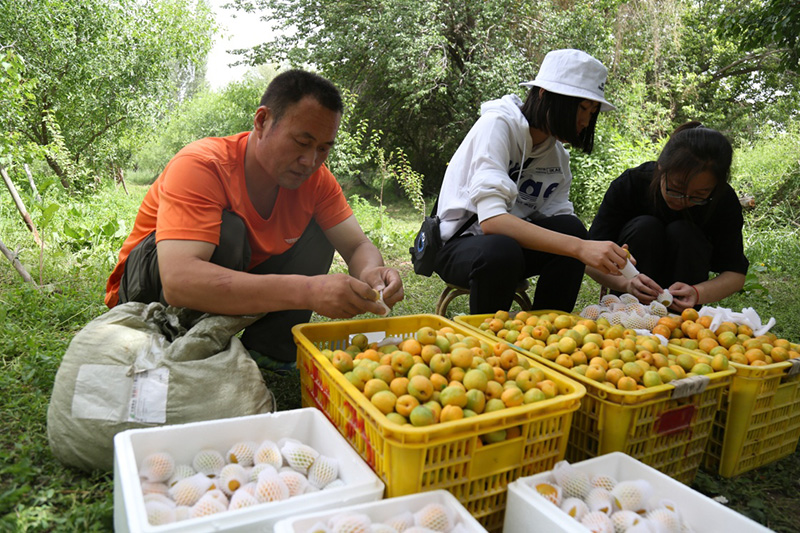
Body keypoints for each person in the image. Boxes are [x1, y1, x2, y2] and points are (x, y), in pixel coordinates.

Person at [105, 69, 404, 369]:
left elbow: (356, 246)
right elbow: (179, 282)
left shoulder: (316, 181)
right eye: (302, 142)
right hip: (146, 290)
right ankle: (184, 343)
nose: (310, 161)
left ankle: (268, 352)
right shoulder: (202, 165)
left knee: (319, 231)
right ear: (262, 122)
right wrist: (310, 291)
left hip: (229, 273)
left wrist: (371, 274)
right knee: (229, 231)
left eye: (323, 149)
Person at [432, 49, 628, 313]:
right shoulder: (497, 125)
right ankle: (490, 341)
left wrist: (626, 275)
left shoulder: (557, 157)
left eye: (592, 111)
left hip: (510, 249)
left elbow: (567, 236)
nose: (585, 121)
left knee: (572, 229)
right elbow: (492, 222)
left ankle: (550, 330)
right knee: (502, 248)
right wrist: (580, 247)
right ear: (545, 95)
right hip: (461, 246)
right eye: (581, 107)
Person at [587, 121, 748, 312]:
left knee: (685, 233)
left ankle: (679, 319)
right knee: (645, 227)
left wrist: (697, 292)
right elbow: (590, 259)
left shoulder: (722, 200)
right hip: (628, 306)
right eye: (677, 189)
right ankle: (629, 309)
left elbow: (735, 273)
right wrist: (626, 284)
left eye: (699, 195)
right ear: (661, 168)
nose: (684, 200)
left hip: (683, 309)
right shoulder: (631, 184)